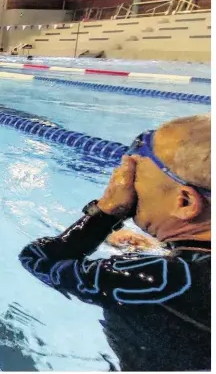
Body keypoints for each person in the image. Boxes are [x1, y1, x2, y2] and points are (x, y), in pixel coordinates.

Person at [19, 114, 211, 371]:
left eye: (135, 175)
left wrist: (105, 212)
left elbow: (38, 258)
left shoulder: (150, 278)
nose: (124, 183)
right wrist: (158, 251)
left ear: (185, 202)